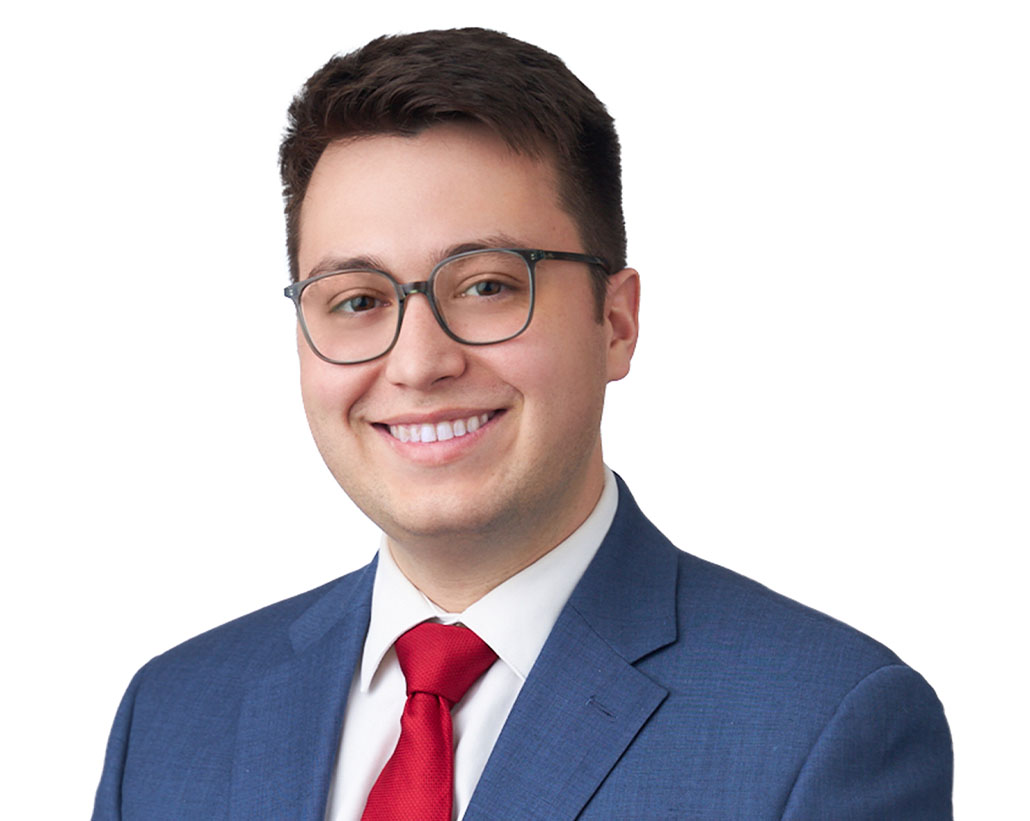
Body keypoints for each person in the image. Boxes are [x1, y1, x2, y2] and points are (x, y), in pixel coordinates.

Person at [92, 27, 952, 820]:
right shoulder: (170, 718)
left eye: (487, 285)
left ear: (615, 322)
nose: (418, 362)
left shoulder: (822, 728)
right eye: (357, 300)